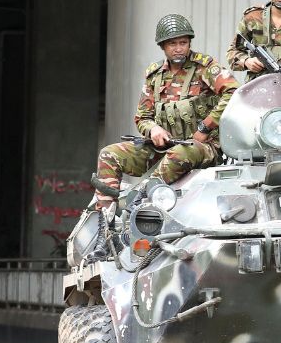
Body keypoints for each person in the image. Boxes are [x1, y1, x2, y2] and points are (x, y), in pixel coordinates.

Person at [94, 14, 239, 208]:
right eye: (172, 44)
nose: (179, 48)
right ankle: (106, 215)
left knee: (180, 153)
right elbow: (142, 117)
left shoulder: (205, 67)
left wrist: (205, 127)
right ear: (163, 46)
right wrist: (153, 129)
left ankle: (140, 199)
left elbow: (234, 92)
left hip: (203, 148)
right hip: (164, 147)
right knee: (108, 154)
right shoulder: (155, 75)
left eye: (183, 43)